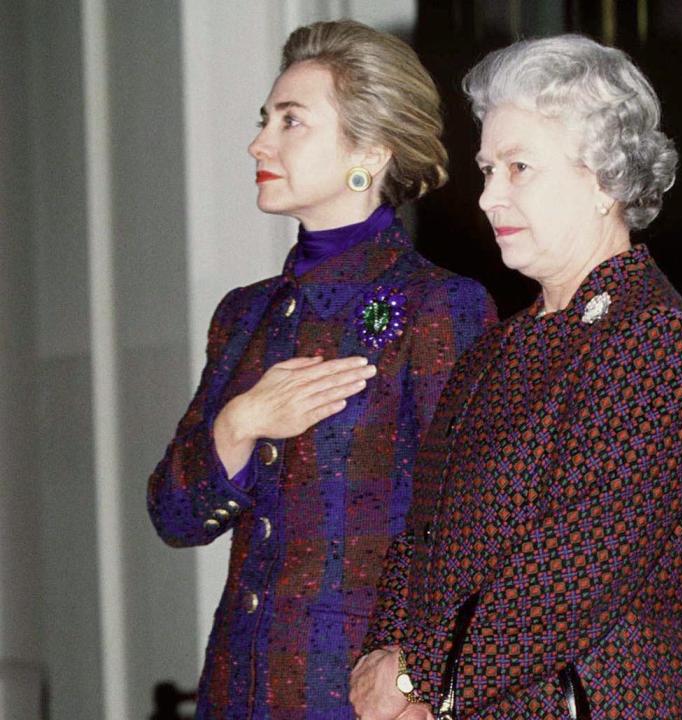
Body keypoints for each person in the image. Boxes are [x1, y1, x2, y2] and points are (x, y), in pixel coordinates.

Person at [350, 35, 682, 719]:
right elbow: (421, 536)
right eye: (487, 169)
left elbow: (576, 569)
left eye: (519, 168)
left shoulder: (651, 341)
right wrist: (383, 665)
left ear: (604, 177)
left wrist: (416, 677)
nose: (490, 197)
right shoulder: (498, 348)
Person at [147, 20, 496, 720]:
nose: (259, 143)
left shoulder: (440, 305)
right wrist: (242, 421)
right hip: (239, 692)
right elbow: (175, 515)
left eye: (290, 122)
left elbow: (472, 528)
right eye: (264, 120)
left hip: (364, 698)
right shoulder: (243, 316)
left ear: (367, 152)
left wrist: (420, 684)